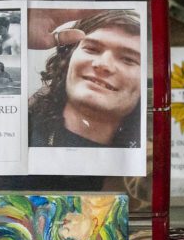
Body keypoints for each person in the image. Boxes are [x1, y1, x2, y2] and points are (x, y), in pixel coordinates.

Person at [28, 10, 142, 148]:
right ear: (67, 59)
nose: (103, 64)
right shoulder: (18, 128)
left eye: (128, 59)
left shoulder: (148, 158)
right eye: (92, 49)